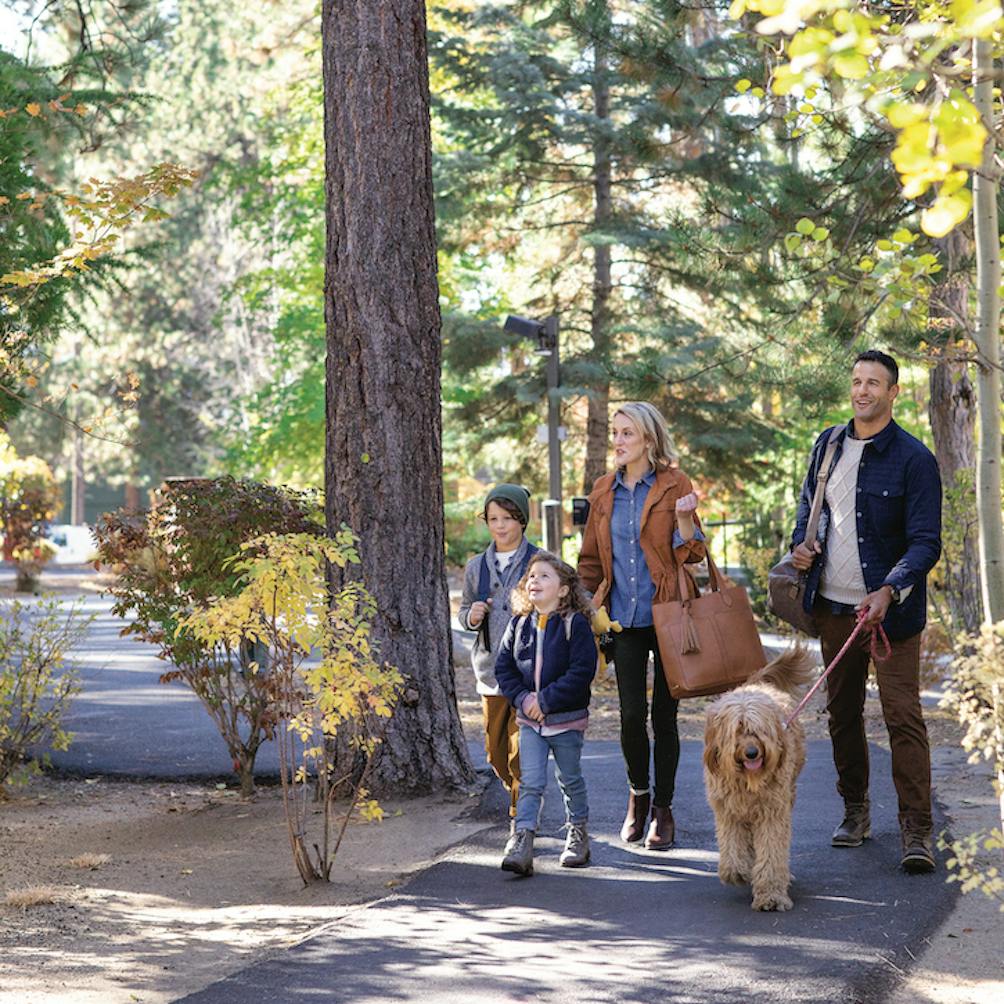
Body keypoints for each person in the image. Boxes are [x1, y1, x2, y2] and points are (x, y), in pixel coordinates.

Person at [788, 349, 942, 873]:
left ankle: (917, 830)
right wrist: (800, 548)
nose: (863, 390)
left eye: (874, 383)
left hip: (891, 615)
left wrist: (891, 589)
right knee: (843, 715)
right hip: (833, 607)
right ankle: (855, 811)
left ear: (892, 392)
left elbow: (926, 543)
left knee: (903, 717)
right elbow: (807, 509)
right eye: (856, 381)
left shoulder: (914, 459)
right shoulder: (827, 444)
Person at [578, 401, 706, 850]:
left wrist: (687, 519)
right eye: (615, 432)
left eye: (627, 433)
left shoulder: (674, 484)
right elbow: (591, 558)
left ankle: (663, 810)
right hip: (622, 618)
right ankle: (638, 796)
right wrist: (583, 606)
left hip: (667, 613)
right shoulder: (603, 490)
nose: (618, 441)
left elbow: (693, 553)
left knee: (664, 716)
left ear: (648, 440)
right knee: (631, 714)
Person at [494, 553, 598, 876]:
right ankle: (522, 840)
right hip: (529, 721)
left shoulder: (575, 625)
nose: (534, 581)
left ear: (564, 590)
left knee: (569, 778)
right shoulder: (519, 624)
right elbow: (504, 668)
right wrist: (525, 700)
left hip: (566, 721)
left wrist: (547, 700)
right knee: (530, 782)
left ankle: (578, 832)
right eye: (531, 577)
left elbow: (582, 671)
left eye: (544, 576)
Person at [458, 484, 538, 821]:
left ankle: (522, 814)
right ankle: (516, 791)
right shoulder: (477, 567)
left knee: (520, 750)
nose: (500, 525)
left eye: (507, 518)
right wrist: (471, 615)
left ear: (521, 520)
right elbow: (463, 612)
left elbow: (561, 603)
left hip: (528, 672)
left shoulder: (539, 561)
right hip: (490, 672)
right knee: (495, 754)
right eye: (493, 518)